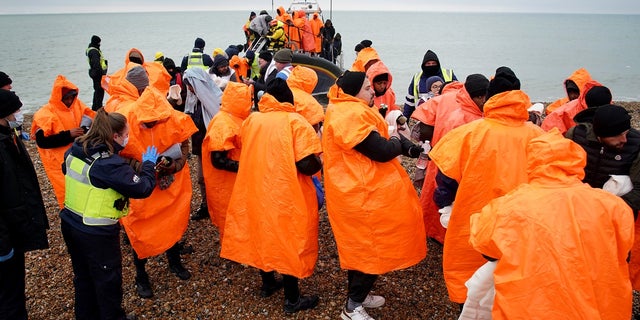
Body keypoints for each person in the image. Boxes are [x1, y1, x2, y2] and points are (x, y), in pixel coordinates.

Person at [469, 130, 634, 319]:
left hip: (531, 306)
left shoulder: (508, 205)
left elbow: (485, 248)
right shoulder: (612, 204)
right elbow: (624, 251)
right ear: (577, 160)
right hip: (602, 304)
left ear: (532, 161)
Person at [428, 67, 543, 309]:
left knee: (470, 277)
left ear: (490, 99)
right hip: (523, 223)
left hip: (473, 220)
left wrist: (444, 205)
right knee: (517, 279)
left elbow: (445, 177)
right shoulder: (540, 137)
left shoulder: (468, 134)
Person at [322, 71, 427, 320]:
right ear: (354, 92)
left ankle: (358, 296)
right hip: (360, 194)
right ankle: (352, 307)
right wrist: (394, 138)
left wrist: (406, 146)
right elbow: (380, 150)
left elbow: (380, 143)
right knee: (371, 247)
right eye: (367, 88)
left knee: (361, 249)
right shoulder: (349, 115)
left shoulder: (346, 109)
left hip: (358, 190)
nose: (373, 91)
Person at [220, 78, 322, 314]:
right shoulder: (295, 122)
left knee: (260, 234)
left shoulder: (252, 120)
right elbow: (307, 164)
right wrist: (319, 161)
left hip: (255, 187)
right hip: (285, 191)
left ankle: (267, 283)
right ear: (288, 97)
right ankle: (292, 299)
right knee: (288, 240)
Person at [60, 108, 156, 319]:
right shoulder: (108, 164)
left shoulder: (76, 149)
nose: (128, 138)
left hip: (70, 222)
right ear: (115, 136)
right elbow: (142, 188)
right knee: (108, 281)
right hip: (96, 232)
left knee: (83, 278)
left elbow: (65, 169)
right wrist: (149, 165)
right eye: (126, 134)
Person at [118, 79, 198, 299]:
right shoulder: (126, 123)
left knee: (171, 222)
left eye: (156, 121)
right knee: (139, 228)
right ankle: (141, 274)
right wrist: (144, 166)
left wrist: (172, 166)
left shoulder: (172, 117)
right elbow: (118, 156)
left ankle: (174, 261)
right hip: (140, 187)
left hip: (168, 184)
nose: (152, 124)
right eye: (148, 122)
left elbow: (183, 146)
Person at [412, 74, 488, 244]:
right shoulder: (472, 116)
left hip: (439, 156)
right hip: (457, 164)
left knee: (437, 195)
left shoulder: (443, 102)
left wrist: (430, 143)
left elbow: (422, 126)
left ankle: (434, 232)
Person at [0, 90, 49, 320]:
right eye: (15, 111)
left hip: (15, 227)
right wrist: (2, 244)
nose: (19, 114)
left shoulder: (8, 137)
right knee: (9, 294)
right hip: (5, 236)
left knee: (15, 289)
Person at [31, 75, 95, 209]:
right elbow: (42, 142)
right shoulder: (44, 114)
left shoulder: (77, 105)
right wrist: (68, 135)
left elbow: (91, 118)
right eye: (66, 98)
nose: (69, 100)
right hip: (58, 163)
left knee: (87, 189)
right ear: (58, 97)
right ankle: (71, 222)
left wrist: (84, 130)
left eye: (72, 97)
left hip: (80, 156)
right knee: (66, 194)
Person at [201, 81, 252, 237]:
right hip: (225, 183)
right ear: (239, 100)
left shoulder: (234, 117)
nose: (251, 103)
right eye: (248, 99)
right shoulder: (223, 123)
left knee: (238, 214)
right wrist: (245, 166)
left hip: (235, 180)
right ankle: (233, 250)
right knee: (229, 215)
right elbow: (218, 160)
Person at [182, 67, 222, 221]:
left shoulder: (215, 99)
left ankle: (216, 206)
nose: (189, 89)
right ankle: (206, 205)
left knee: (214, 178)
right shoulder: (193, 100)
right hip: (200, 147)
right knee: (201, 178)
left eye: (190, 85)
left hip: (213, 147)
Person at [403, 50, 457, 118]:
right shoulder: (417, 78)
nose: (431, 65)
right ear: (423, 65)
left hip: (446, 116)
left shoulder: (449, 74)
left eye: (433, 63)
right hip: (424, 117)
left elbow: (458, 95)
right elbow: (409, 102)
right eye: (428, 63)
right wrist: (404, 121)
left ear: (438, 64)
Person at [541, 79, 607, 134]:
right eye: (570, 92)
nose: (573, 96)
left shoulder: (603, 99)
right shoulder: (564, 110)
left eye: (575, 92)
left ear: (582, 90)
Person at [287, 65, 325, 130]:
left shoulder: (278, 92)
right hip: (301, 136)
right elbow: (315, 125)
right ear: (312, 82)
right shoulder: (310, 102)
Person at [86, 35, 108, 110]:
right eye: (99, 43)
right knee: (99, 92)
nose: (100, 44)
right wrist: (102, 73)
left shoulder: (91, 50)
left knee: (97, 91)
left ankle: (95, 108)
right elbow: (96, 64)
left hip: (96, 73)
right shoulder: (94, 51)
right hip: (98, 74)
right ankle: (98, 109)